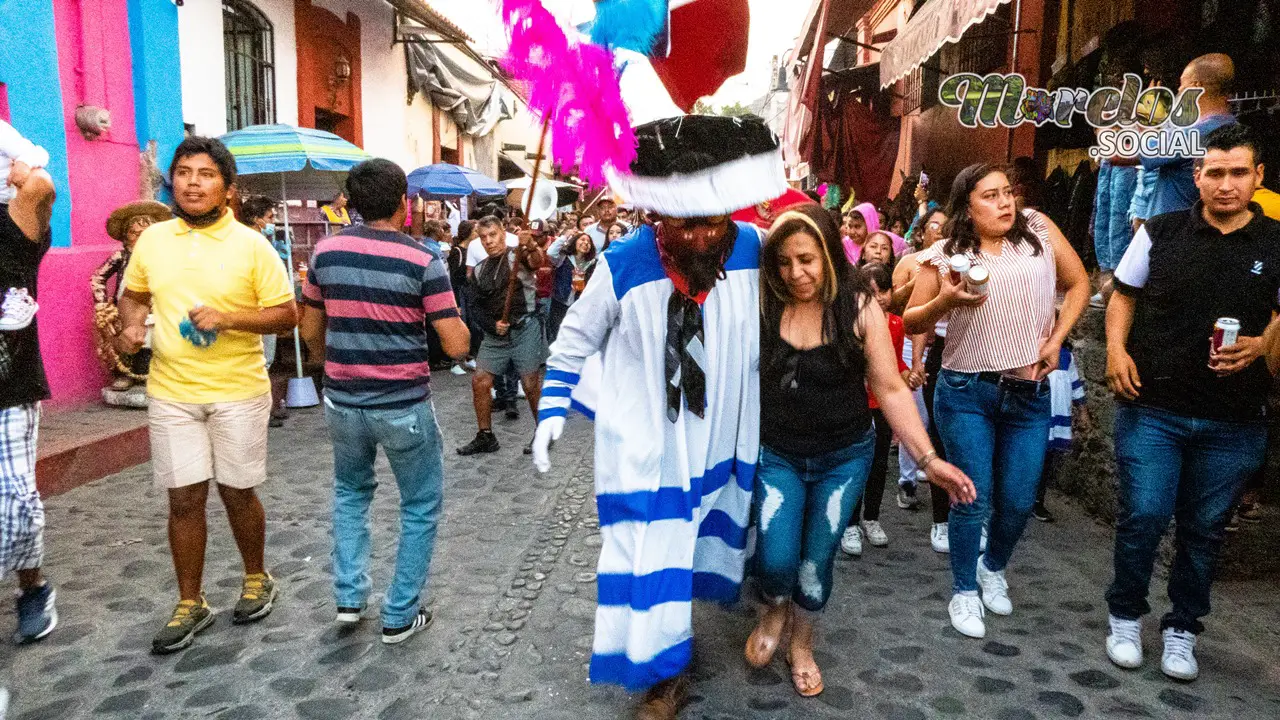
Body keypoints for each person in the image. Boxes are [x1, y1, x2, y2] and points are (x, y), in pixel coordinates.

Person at [531, 115, 785, 720]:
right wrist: (551, 410)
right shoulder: (623, 263)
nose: (701, 238)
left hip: (724, 434)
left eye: (711, 222)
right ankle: (663, 677)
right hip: (648, 444)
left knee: (703, 547)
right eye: (684, 224)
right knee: (649, 553)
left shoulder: (752, 249)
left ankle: (687, 638)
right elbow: (572, 340)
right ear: (657, 216)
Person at [748, 207, 974, 697]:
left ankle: (801, 643)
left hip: (843, 458)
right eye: (784, 263)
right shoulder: (764, 303)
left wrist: (929, 460)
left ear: (829, 255)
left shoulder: (858, 308)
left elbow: (890, 388)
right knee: (775, 561)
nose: (796, 274)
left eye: (806, 260)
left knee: (816, 562)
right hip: (779, 453)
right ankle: (773, 610)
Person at [1103, 124, 1280, 681]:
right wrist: (1114, 352)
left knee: (1204, 530)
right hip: (1154, 406)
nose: (1225, 185)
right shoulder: (1160, 231)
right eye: (1214, 173)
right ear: (1197, 177)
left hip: (1234, 420)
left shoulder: (1276, 242)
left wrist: (1264, 342)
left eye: (1237, 173)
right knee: (1145, 515)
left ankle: (1182, 629)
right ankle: (1126, 615)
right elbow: (1121, 297)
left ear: (1258, 177)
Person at [116, 136, 297, 654]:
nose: (192, 182)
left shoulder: (252, 246)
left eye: (205, 174)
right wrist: (129, 327)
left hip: (238, 391)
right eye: (184, 172)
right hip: (172, 391)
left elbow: (286, 316)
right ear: (171, 181)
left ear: (227, 188)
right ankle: (190, 602)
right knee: (183, 498)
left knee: (237, 491)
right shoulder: (152, 241)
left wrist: (229, 317)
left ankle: (256, 576)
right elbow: (133, 296)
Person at [905, 162, 1088, 640]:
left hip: (1028, 391)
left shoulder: (1040, 231)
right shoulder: (944, 255)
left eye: (1008, 192)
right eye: (990, 195)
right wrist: (946, 302)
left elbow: (1080, 285)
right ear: (967, 205)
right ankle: (964, 590)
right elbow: (910, 321)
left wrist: (1057, 341)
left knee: (1020, 500)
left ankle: (993, 566)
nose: (1005, 202)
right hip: (967, 390)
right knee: (972, 494)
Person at [300, 158, 469, 645]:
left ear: (352, 202)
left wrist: (325, 363)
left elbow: (310, 327)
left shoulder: (326, 253)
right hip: (401, 403)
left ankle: (350, 598)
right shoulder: (422, 260)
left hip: (342, 400)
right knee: (419, 505)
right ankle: (399, 614)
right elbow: (455, 345)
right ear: (403, 203)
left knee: (351, 493)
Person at [0, 145, 58, 647]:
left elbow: (42, 187)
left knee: (16, 500)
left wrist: (21, 169)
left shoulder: (12, 231)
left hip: (10, 387)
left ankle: (32, 587)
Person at [457, 217, 547, 456]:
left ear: (503, 234)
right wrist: (491, 324)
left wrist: (530, 245)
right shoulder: (479, 269)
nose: (489, 241)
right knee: (480, 381)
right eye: (484, 237)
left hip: (524, 328)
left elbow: (537, 263)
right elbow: (475, 306)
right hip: (495, 336)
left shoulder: (517, 257)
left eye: (493, 235)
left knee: (530, 384)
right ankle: (486, 436)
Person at [840, 263, 913, 556]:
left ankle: (871, 518)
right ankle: (849, 523)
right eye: (871, 292)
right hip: (857, 402)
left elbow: (895, 363)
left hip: (881, 404)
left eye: (884, 290)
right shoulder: (851, 322)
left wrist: (909, 374)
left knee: (879, 461)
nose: (879, 297)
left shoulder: (896, 324)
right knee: (856, 461)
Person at [894, 209, 952, 546]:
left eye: (947, 227)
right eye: (936, 226)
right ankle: (907, 478)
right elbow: (899, 304)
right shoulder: (911, 262)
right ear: (923, 232)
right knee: (914, 414)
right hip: (911, 345)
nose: (942, 231)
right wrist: (923, 282)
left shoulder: (963, 257)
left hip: (946, 347)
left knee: (935, 422)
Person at [1123, 54, 1238, 218]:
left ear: (1196, 86)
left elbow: (1120, 154)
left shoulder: (1198, 133)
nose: (1178, 90)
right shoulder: (1231, 126)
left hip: (1174, 231)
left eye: (1182, 84)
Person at [92, 200, 172, 393]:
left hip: (154, 307)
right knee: (124, 338)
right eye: (134, 233)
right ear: (126, 236)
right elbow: (97, 277)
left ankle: (146, 375)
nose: (139, 238)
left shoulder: (163, 257)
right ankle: (125, 374)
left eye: (145, 234)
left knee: (150, 340)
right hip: (124, 304)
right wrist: (101, 303)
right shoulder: (120, 257)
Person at [237, 195, 291, 428]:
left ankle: (266, 408)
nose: (273, 221)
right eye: (270, 217)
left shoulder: (253, 241)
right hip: (260, 310)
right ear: (257, 219)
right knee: (262, 361)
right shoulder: (252, 244)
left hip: (259, 310)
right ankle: (261, 411)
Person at [1034, 340, 1088, 523]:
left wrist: (1082, 411)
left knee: (1047, 459)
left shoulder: (1067, 357)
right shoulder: (1035, 350)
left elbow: (1075, 384)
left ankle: (1037, 500)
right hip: (1038, 413)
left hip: (1057, 414)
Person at [545, 232, 598, 345]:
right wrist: (564, 237)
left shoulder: (593, 263)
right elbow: (550, 253)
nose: (585, 243)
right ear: (574, 242)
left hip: (579, 304)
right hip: (560, 302)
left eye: (588, 242)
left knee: (574, 335)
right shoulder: (564, 258)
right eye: (582, 240)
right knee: (557, 333)